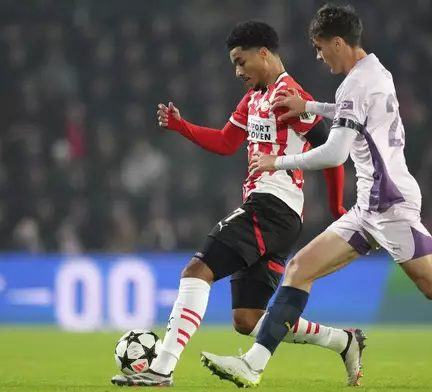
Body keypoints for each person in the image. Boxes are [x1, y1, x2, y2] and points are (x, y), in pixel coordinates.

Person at [200, 4, 432, 389]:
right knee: (299, 269)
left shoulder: (355, 84)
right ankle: (254, 365)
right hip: (370, 204)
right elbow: (353, 115)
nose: (319, 56)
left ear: (338, 42)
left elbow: (336, 152)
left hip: (387, 204)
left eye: (321, 48)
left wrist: (277, 161)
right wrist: (310, 106)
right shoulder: (376, 72)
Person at [111, 20, 366, 388]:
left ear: (263, 53)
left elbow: (330, 151)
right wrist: (183, 127)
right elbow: (227, 142)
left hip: (272, 207)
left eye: (241, 61)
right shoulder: (254, 98)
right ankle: (344, 341)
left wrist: (338, 206)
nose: (237, 71)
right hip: (276, 214)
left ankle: (162, 368)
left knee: (196, 272)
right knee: (247, 319)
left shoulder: (288, 95)